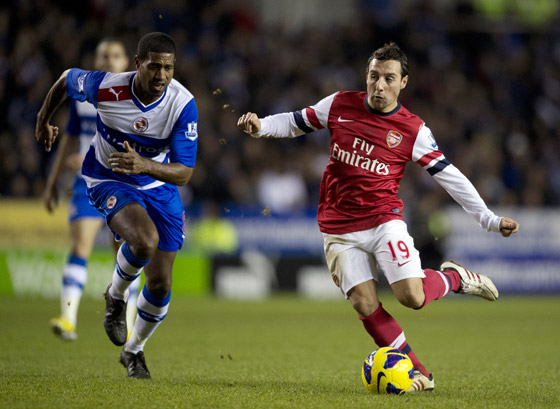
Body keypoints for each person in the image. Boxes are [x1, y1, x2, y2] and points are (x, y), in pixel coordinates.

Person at [238, 42, 520, 392]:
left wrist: (488, 219)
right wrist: (261, 126)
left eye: (389, 78)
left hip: (383, 221)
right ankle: (420, 373)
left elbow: (450, 176)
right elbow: (296, 122)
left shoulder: (413, 130)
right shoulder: (340, 104)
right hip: (338, 227)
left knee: (412, 297)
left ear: (403, 82)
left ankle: (453, 278)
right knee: (364, 302)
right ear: (366, 76)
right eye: (374, 76)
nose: (379, 85)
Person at [36, 32, 198, 379]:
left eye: (168, 68)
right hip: (108, 177)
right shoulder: (107, 87)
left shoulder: (182, 104)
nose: (161, 75)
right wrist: (43, 119)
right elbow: (66, 79)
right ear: (137, 63)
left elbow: (184, 173)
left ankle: (133, 351)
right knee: (144, 241)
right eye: (154, 67)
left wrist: (145, 165)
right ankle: (116, 295)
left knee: (160, 284)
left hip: (158, 185)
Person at [45, 39, 138, 342]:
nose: (110, 60)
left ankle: (128, 323)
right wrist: (53, 182)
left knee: (125, 257)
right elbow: (69, 139)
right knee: (80, 247)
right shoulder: (83, 98)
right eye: (104, 56)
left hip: (123, 184)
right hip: (86, 182)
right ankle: (68, 318)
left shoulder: (135, 97)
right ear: (97, 62)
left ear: (127, 62)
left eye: (116, 55)